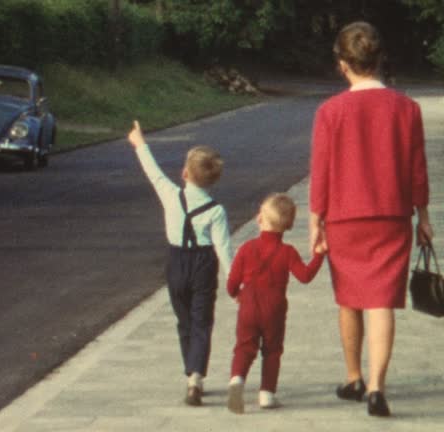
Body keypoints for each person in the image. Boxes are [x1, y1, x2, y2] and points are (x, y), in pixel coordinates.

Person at [309, 21, 433, 417]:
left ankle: (353, 377)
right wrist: (424, 215)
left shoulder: (330, 112)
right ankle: (378, 387)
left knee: (349, 299)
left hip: (344, 217)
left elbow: (322, 170)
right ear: (379, 60)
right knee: (381, 301)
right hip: (392, 215)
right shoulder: (407, 109)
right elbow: (417, 169)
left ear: (343, 64)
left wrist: (316, 221)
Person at [128, 120, 233, 407]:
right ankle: (195, 377)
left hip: (176, 263)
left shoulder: (171, 195)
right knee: (202, 321)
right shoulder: (217, 211)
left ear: (184, 173)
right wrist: (235, 280)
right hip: (203, 264)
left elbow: (153, 173)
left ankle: (190, 369)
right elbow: (223, 247)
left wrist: (140, 143)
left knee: (184, 320)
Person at [226, 193, 324, 414]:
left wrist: (237, 294)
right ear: (288, 226)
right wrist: (319, 255)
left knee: (244, 347)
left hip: (249, 305)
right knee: (272, 350)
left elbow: (231, 283)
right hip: (275, 308)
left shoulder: (246, 248)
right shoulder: (287, 252)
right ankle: (267, 393)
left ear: (260, 219)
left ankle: (237, 380)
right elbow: (305, 276)